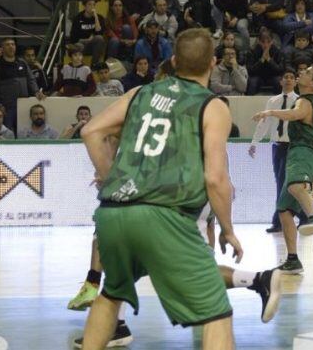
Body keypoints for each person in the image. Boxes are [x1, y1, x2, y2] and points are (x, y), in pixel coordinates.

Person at [78, 29, 262, 350]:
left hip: (113, 212)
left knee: (111, 294)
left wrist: (111, 178)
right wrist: (228, 229)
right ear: (213, 62)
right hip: (164, 214)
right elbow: (216, 178)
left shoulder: (139, 94)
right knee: (217, 313)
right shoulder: (213, 105)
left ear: (174, 61)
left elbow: (91, 131)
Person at [251, 64, 313, 275]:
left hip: (303, 152)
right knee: (284, 211)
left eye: (307, 73)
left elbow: (295, 114)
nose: (301, 72)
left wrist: (269, 112)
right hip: (299, 152)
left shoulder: (305, 101)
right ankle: (293, 259)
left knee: (296, 186)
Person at [249, 70, 301, 233]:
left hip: (292, 146)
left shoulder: (299, 101)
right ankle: (284, 219)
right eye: (285, 77)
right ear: (280, 81)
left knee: (289, 183)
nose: (288, 80)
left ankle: (293, 218)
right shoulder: (273, 101)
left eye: (292, 78)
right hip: (277, 146)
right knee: (281, 182)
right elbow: (264, 123)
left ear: (296, 82)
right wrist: (254, 142)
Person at [0, 38, 45, 131]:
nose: (11, 46)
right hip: (7, 106)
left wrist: (36, 91)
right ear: (2, 49)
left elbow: (31, 79)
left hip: (24, 103)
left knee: (24, 130)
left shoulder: (22, 62)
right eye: (8, 44)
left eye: (13, 44)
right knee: (8, 131)